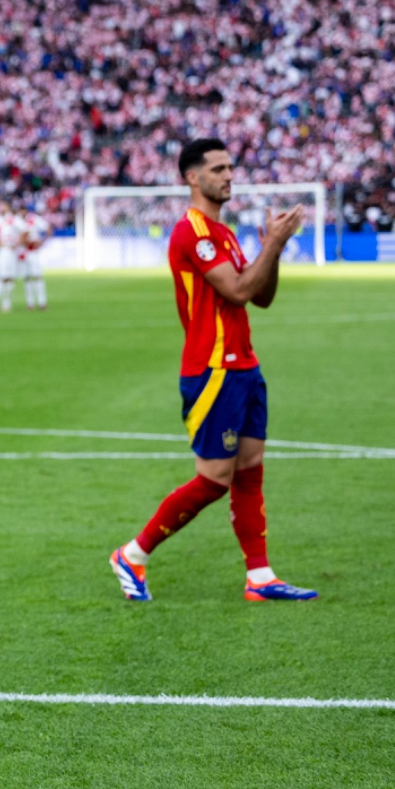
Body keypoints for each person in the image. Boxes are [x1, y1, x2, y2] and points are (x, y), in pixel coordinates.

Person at [109, 139, 317, 603]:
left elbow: (261, 295)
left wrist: (271, 251)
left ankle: (260, 577)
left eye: (230, 167)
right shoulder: (193, 233)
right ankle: (133, 554)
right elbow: (240, 291)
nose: (228, 175)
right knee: (213, 479)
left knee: (249, 471)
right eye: (218, 168)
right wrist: (275, 245)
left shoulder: (222, 234)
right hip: (212, 370)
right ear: (192, 177)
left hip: (244, 365)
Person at [17, 204, 51, 311]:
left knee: (37, 276)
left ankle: (42, 302)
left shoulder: (34, 219)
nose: (22, 213)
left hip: (32, 251)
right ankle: (30, 303)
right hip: (21, 251)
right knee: (26, 278)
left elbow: (48, 228)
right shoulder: (16, 221)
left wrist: (42, 241)